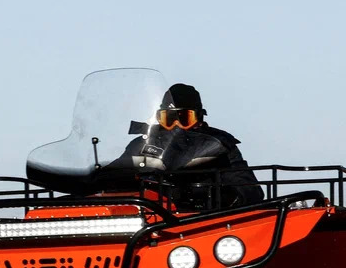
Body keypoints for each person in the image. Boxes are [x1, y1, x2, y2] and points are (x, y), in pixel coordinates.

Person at [94, 83, 264, 209]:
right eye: (168, 118)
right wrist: (97, 180)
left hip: (199, 220)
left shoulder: (220, 145)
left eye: (184, 118)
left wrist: (223, 197)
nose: (175, 125)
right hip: (150, 217)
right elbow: (115, 171)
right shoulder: (142, 144)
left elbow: (250, 191)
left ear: (198, 118)